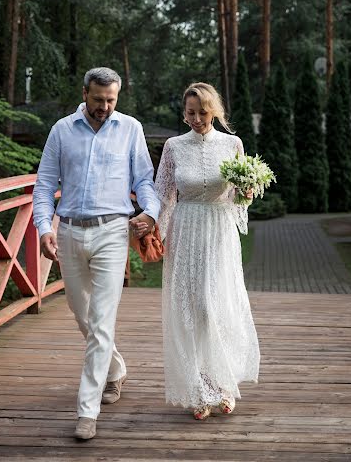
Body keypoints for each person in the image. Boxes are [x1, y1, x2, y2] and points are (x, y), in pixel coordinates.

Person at [33, 67, 159, 440]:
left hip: (112, 232)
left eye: (111, 100)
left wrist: (149, 214)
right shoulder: (61, 130)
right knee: (81, 312)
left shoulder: (130, 129)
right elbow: (43, 185)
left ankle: (87, 411)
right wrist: (44, 228)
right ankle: (116, 368)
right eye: (98, 99)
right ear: (85, 92)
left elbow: (144, 181)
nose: (104, 106)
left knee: (102, 321)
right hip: (69, 230)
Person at [155, 82, 260, 420]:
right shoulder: (173, 146)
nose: (197, 119)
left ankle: (224, 383)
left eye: (203, 112)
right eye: (191, 113)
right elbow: (165, 196)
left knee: (217, 305)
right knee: (191, 309)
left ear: (215, 112)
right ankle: (198, 387)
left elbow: (242, 199)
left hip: (219, 232)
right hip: (185, 231)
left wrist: (247, 191)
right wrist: (156, 233)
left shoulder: (233, 144)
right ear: (183, 113)